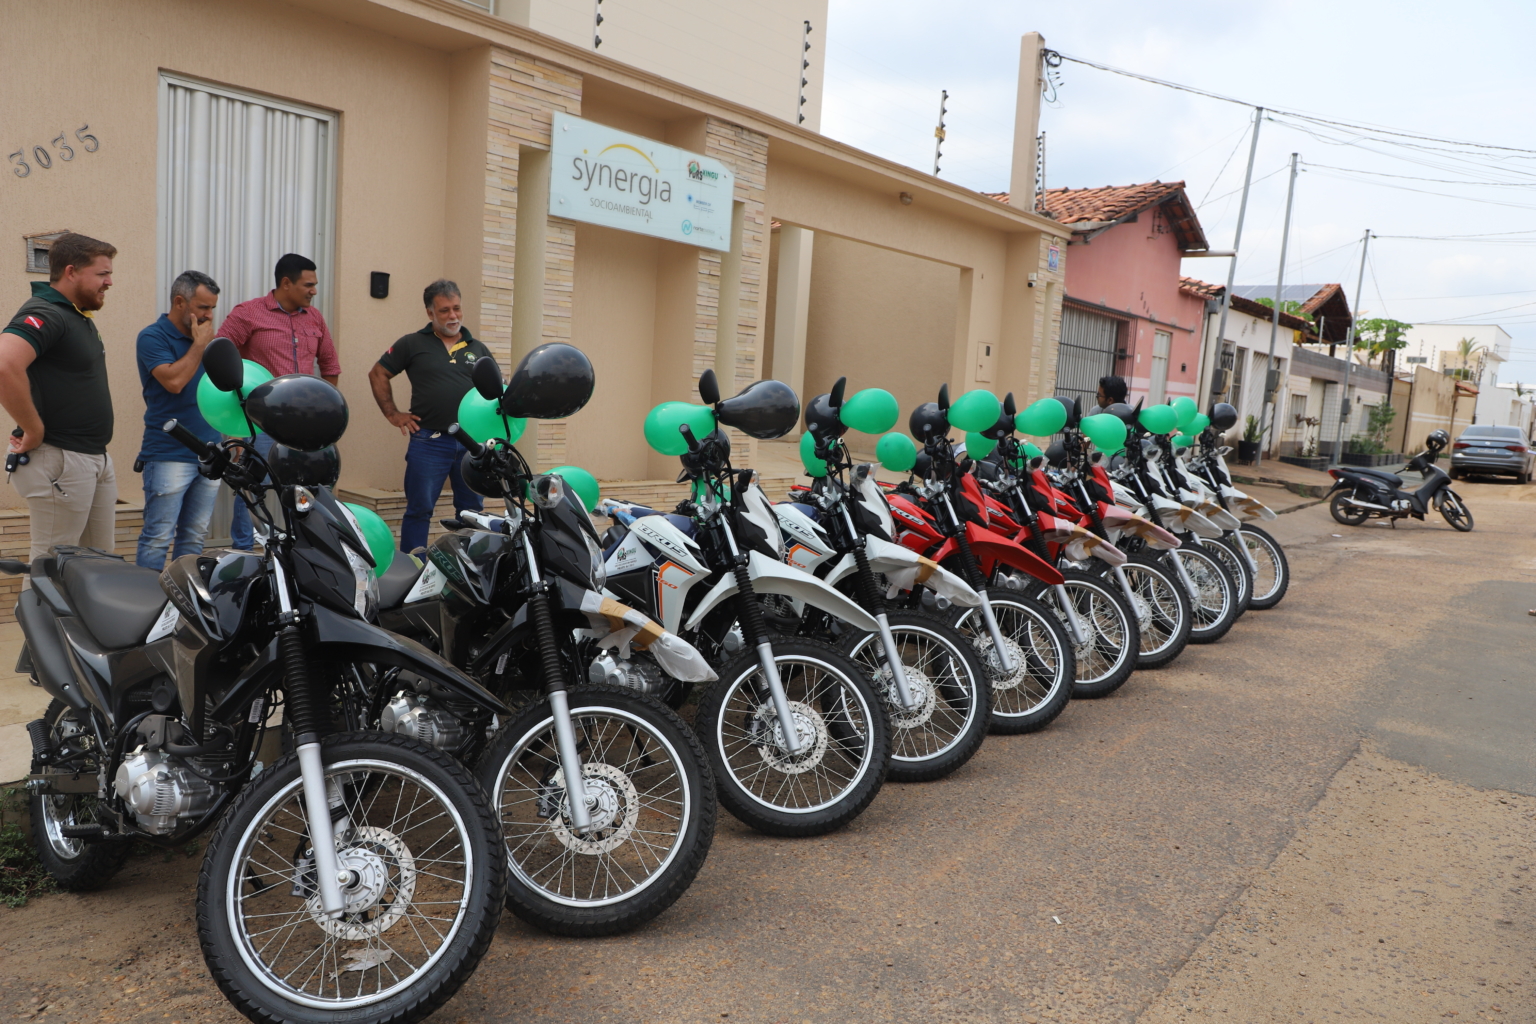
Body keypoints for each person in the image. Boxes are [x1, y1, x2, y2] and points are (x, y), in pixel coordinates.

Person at [0, 233, 118, 565]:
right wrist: (32, 428)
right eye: (102, 274)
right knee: (50, 569)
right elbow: (4, 364)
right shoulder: (46, 311)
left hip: (92, 458)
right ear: (71, 272)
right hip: (61, 460)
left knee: (100, 567)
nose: (109, 282)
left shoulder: (76, 316)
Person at [218, 253, 339, 549]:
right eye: (308, 285)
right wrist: (233, 428)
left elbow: (330, 366)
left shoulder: (315, 318)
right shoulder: (248, 314)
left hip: (304, 426)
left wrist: (322, 410)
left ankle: (302, 550)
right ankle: (246, 552)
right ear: (286, 283)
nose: (314, 291)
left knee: (305, 490)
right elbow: (219, 362)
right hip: (260, 423)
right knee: (250, 489)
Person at [369, 280, 489, 552]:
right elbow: (378, 373)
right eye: (444, 310)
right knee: (419, 510)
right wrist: (393, 414)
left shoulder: (478, 349)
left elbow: (494, 390)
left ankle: (468, 567)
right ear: (430, 312)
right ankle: (414, 568)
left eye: (457, 308)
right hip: (429, 441)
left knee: (471, 512)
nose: (453, 315)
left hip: (471, 444)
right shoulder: (412, 343)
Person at [134, 271, 223, 570]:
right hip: (168, 453)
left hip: (210, 452)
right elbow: (174, 382)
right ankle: (146, 599)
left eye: (212, 308)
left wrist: (232, 436)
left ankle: (183, 598)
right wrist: (199, 346)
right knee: (158, 537)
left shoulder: (210, 341)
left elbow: (222, 392)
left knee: (194, 536)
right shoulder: (152, 337)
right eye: (203, 307)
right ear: (179, 302)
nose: (209, 315)